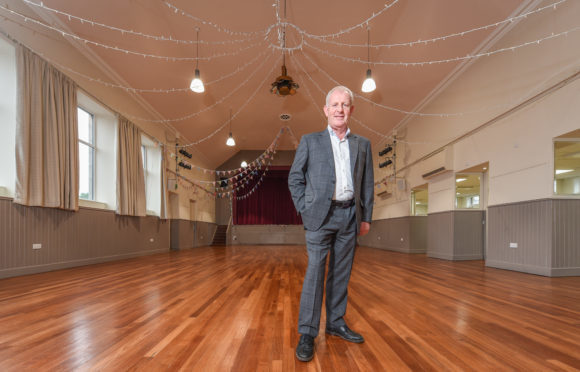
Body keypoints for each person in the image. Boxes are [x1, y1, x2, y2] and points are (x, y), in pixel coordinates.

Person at [288, 85, 374, 362]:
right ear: (325, 110)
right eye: (334, 105)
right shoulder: (310, 141)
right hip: (319, 218)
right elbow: (295, 178)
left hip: (350, 217)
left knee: (341, 272)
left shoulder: (363, 144)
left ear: (351, 110)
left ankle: (336, 323)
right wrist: (304, 207)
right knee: (315, 271)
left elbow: (367, 183)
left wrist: (366, 217)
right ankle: (308, 333)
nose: (339, 109)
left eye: (344, 105)